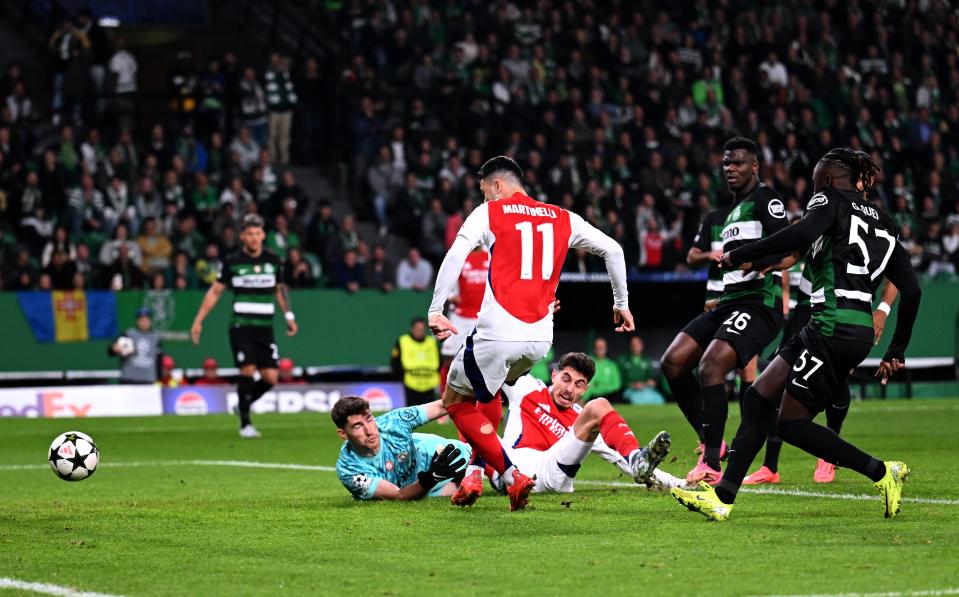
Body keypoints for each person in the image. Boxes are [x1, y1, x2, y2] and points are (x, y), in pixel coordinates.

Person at [672, 148, 921, 521]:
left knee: (790, 423)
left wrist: (741, 254)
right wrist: (895, 349)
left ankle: (882, 471)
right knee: (757, 398)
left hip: (831, 326)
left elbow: (800, 232)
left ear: (825, 179)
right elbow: (913, 290)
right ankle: (722, 497)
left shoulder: (829, 199)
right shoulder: (885, 222)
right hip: (842, 327)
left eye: (816, 176)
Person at [427, 155, 632, 511]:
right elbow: (613, 249)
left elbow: (456, 254)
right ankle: (475, 471)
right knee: (486, 394)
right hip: (539, 340)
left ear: (497, 186)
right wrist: (621, 302)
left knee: (455, 401)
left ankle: (510, 474)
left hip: (498, 332)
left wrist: (435, 309)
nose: (484, 199)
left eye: (484, 192)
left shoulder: (491, 212)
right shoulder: (563, 217)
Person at [659, 137, 789, 485]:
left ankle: (713, 464)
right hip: (728, 302)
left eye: (739, 163)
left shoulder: (766, 198)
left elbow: (790, 243)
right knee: (672, 362)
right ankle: (709, 443)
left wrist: (757, 261)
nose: (730, 169)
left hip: (759, 303)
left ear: (755, 167)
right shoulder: (729, 212)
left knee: (711, 365)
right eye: (726, 164)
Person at [480, 353, 679, 500]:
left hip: (551, 474)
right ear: (555, 374)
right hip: (512, 467)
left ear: (585, 389)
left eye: (578, 384)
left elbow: (622, 460)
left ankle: (637, 454)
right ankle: (469, 475)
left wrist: (678, 483)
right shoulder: (526, 387)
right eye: (566, 379)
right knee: (472, 422)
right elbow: (495, 360)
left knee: (598, 406)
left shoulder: (581, 420)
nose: (569, 389)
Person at [190, 214, 298, 438]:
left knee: (270, 377)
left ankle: (243, 403)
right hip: (241, 325)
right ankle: (245, 424)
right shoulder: (232, 262)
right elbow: (215, 292)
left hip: (265, 327)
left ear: (263, 235)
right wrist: (198, 320)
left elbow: (279, 289)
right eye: (249, 233)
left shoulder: (273, 260)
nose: (253, 238)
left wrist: (288, 315)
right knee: (247, 369)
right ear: (242, 236)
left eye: (257, 233)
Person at [333, 396, 470, 501]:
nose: (369, 430)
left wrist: (473, 393)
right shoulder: (349, 469)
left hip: (442, 454)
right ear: (343, 434)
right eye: (357, 426)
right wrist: (432, 477)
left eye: (369, 419)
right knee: (458, 492)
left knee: (482, 461)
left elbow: (441, 406)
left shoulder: (394, 422)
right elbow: (398, 495)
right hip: (425, 485)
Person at [438, 247, 489, 389]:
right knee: (449, 357)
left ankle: (480, 394)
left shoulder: (490, 254)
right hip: (459, 317)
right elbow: (446, 279)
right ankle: (444, 393)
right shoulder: (460, 255)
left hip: (481, 317)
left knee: (483, 359)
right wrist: (450, 296)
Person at [391, 317, 440, 407]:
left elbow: (439, 361)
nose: (420, 332)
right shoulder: (403, 341)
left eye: (422, 329)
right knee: (412, 413)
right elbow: (395, 363)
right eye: (417, 329)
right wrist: (402, 377)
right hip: (411, 384)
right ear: (412, 329)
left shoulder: (431, 342)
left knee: (430, 414)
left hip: (429, 384)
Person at [108, 307, 162, 384]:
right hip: (129, 379)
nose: (144, 322)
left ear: (150, 321)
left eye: (146, 320)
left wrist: (159, 378)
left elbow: (159, 360)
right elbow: (110, 350)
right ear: (137, 321)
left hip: (148, 380)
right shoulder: (128, 334)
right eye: (141, 320)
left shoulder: (155, 337)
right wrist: (114, 348)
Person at [619, 336, 666, 405]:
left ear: (642, 345)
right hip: (630, 390)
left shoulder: (646, 360)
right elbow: (620, 380)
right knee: (637, 400)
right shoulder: (622, 360)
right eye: (633, 344)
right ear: (630, 346)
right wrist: (632, 385)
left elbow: (650, 378)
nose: (636, 346)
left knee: (659, 400)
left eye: (637, 344)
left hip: (645, 389)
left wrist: (651, 382)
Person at [582, 337, 622, 402]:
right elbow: (588, 383)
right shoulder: (588, 362)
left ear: (606, 349)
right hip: (591, 396)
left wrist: (599, 388)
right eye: (598, 347)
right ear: (594, 349)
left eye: (602, 347)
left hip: (608, 395)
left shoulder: (612, 365)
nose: (600, 349)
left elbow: (616, 384)